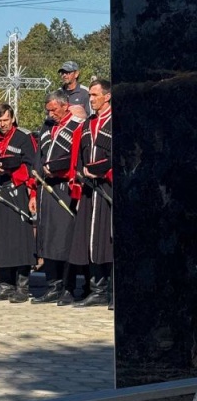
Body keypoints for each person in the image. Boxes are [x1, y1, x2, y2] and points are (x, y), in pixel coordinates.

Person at [32, 90, 84, 304]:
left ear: (65, 105)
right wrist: (33, 189)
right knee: (47, 238)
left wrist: (64, 174)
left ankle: (68, 286)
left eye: (54, 109)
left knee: (63, 239)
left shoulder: (76, 126)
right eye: (48, 110)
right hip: (45, 188)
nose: (51, 113)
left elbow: (77, 158)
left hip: (64, 187)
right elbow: (39, 157)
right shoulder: (46, 127)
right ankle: (51, 284)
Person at [0, 104, 36, 303]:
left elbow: (31, 165)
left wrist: (13, 175)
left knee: (19, 240)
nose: (3, 124)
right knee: (1, 240)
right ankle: (5, 285)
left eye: (6, 120)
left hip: (17, 191)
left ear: (12, 118)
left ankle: (22, 286)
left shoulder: (23, 137)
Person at [68, 79, 113, 308]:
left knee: (108, 238)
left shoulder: (116, 122)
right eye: (90, 95)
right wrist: (81, 173)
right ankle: (97, 287)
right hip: (89, 189)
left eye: (95, 95)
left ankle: (111, 290)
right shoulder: (87, 125)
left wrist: (107, 174)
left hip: (108, 188)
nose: (91, 99)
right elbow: (80, 156)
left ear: (107, 96)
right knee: (90, 238)